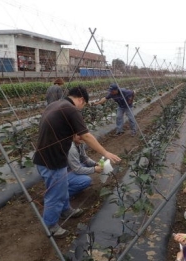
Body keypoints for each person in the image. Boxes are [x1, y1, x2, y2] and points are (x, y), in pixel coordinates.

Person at [33, 86, 120, 238]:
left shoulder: (56, 104)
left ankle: (66, 209)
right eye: (84, 104)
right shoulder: (71, 109)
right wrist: (105, 153)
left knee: (62, 187)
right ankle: (51, 226)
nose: (82, 108)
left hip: (46, 157)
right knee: (54, 194)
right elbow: (85, 135)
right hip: (52, 160)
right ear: (81, 99)